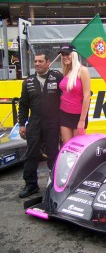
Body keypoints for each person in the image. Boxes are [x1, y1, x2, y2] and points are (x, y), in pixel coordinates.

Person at [17, 51, 63, 198]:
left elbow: (64, 100)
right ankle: (31, 185)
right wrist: (22, 124)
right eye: (35, 61)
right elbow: (23, 105)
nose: (37, 64)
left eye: (40, 61)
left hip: (52, 122)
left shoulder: (57, 77)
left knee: (53, 153)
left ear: (48, 62)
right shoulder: (28, 81)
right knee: (31, 154)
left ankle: (55, 184)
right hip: (34, 122)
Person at [59, 44, 91, 145]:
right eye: (63, 54)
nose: (65, 57)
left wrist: (82, 120)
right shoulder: (66, 70)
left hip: (78, 115)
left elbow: (87, 96)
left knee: (77, 146)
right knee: (66, 146)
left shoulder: (83, 70)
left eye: (67, 54)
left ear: (74, 55)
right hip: (64, 114)